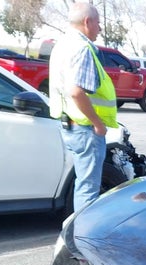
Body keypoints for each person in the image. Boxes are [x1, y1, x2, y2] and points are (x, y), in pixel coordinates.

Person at [49, 2, 117, 213]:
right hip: (85, 127)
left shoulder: (62, 45)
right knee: (88, 188)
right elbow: (76, 91)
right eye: (98, 23)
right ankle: (82, 240)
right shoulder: (82, 49)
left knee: (83, 182)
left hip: (69, 124)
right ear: (87, 22)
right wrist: (97, 124)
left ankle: (78, 234)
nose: (100, 28)